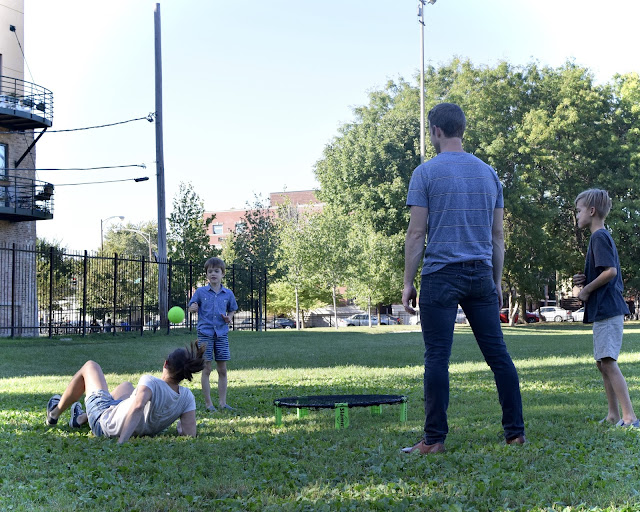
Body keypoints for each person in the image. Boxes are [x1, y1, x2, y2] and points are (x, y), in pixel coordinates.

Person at [401, 103, 525, 454]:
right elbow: (497, 235)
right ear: (462, 129)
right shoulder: (489, 174)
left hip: (440, 275)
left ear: (435, 131)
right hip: (481, 273)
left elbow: (416, 233)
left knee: (437, 357)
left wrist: (408, 282)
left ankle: (434, 440)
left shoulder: (425, 173)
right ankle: (515, 434)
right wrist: (496, 280)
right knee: (498, 355)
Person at [45, 342, 205, 444]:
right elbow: (190, 434)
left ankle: (54, 414)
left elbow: (137, 407)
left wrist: (122, 442)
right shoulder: (187, 397)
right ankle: (80, 418)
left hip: (104, 423)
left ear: (165, 364)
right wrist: (180, 429)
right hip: (125, 418)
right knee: (127, 386)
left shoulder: (150, 382)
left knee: (90, 366)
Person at [572, 189, 638, 428]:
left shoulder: (599, 237)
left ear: (591, 211)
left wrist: (587, 290)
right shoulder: (598, 238)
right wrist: (585, 278)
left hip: (609, 309)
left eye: (578, 210)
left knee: (608, 361)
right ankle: (612, 414)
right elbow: (603, 271)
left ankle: (629, 417)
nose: (576, 215)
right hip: (604, 310)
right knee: (602, 362)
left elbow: (610, 272)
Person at [188, 257, 238, 412]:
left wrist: (229, 317)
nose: (213, 274)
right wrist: (193, 308)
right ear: (206, 275)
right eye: (210, 271)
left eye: (216, 271)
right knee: (206, 369)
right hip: (205, 334)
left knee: (222, 369)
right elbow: (191, 307)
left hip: (221, 334)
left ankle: (223, 403)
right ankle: (209, 404)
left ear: (223, 274)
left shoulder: (228, 293)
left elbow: (233, 309)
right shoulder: (200, 292)